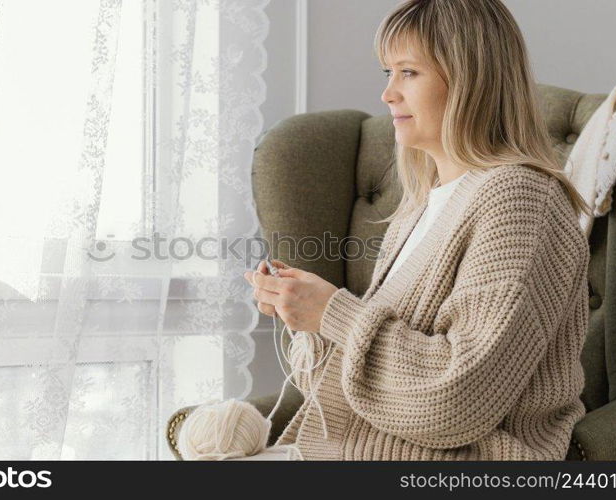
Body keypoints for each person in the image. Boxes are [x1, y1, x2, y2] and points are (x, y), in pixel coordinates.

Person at [242, 0, 592, 460]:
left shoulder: (519, 199)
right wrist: (305, 318)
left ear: (472, 80)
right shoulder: (420, 206)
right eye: (387, 73)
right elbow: (356, 389)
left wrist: (333, 313)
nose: (388, 93)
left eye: (408, 72)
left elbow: (457, 399)